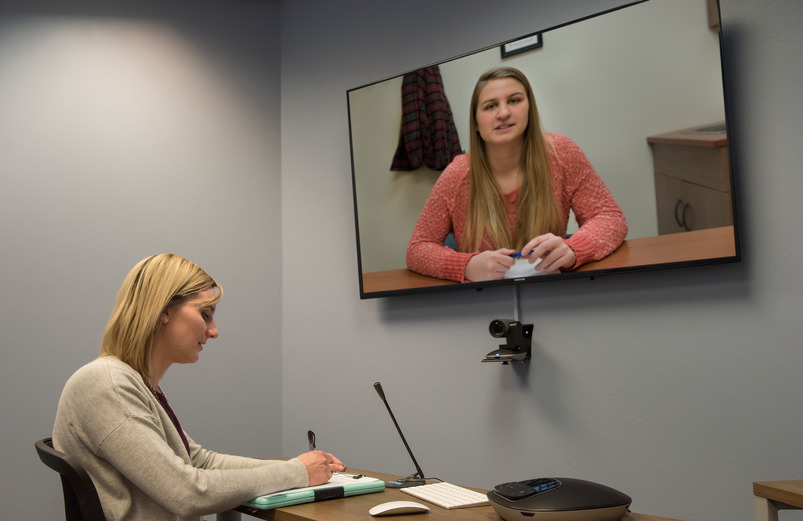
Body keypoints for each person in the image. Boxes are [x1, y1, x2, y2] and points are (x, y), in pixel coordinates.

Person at [52, 253, 346, 521]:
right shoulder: (107, 383)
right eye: (205, 314)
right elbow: (187, 493)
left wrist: (297, 466)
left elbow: (198, 461)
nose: (214, 331)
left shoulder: (134, 383)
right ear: (163, 310)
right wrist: (296, 472)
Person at [406, 67, 627, 282]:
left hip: (551, 289)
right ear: (475, 122)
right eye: (490, 106)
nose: (503, 113)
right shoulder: (456, 174)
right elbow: (418, 249)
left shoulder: (562, 153)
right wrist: (465, 266)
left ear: (530, 108)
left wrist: (573, 248)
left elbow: (610, 218)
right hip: (483, 299)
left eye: (514, 100)